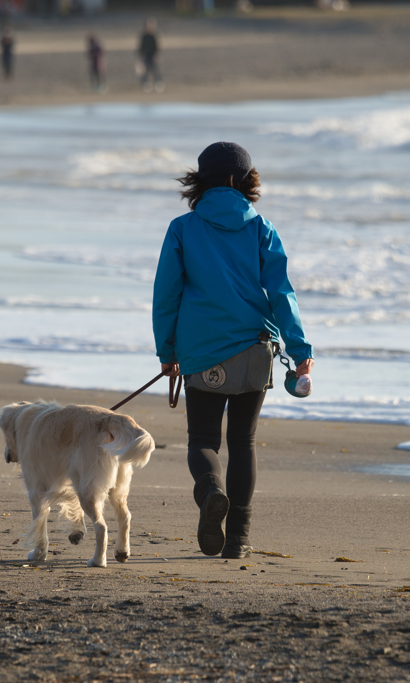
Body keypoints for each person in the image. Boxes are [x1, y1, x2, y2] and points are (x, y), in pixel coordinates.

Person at [152, 142, 314, 559]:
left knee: (203, 440)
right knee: (243, 443)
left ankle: (210, 492)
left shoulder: (182, 228)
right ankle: (238, 539)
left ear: (205, 179)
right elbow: (281, 293)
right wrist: (299, 349)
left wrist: (167, 352)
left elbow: (166, 296)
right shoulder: (262, 228)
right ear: (239, 180)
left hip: (201, 352)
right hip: (253, 350)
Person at [137, 19, 163, 93]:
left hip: (153, 56)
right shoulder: (144, 36)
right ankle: (145, 84)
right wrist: (140, 57)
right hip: (146, 56)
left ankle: (158, 83)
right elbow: (141, 47)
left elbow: (157, 46)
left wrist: (157, 55)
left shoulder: (154, 36)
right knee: (145, 71)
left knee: (155, 70)